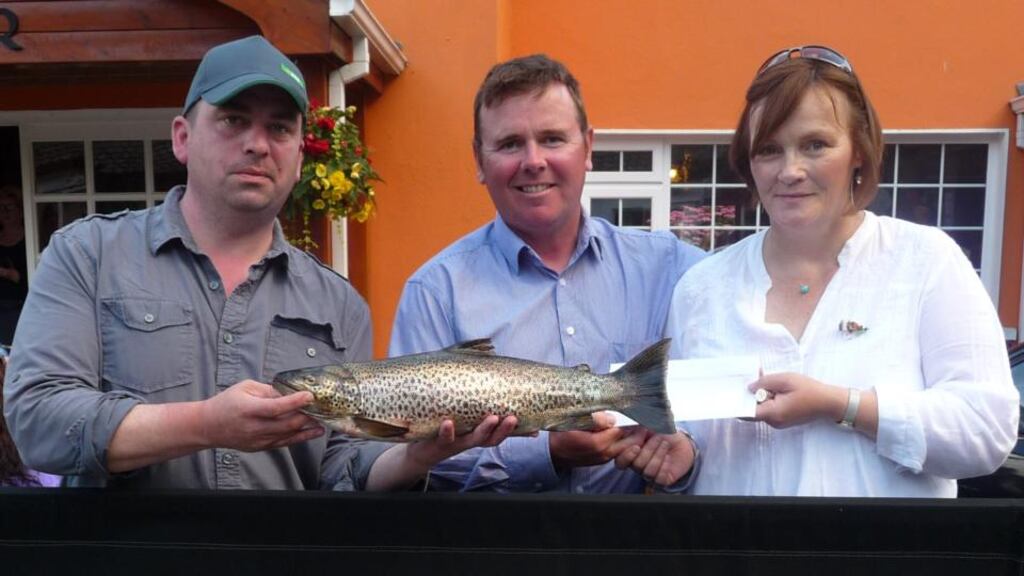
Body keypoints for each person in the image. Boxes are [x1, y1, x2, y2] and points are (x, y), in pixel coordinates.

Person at [2, 35, 513, 490]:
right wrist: (205, 425)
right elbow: (37, 423)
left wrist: (415, 454)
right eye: (233, 119)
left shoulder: (338, 303)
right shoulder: (87, 256)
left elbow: (343, 470)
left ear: (298, 157)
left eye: (280, 128)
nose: (257, 143)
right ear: (182, 137)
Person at [665, 45, 1019, 496]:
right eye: (769, 150)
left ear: (858, 151)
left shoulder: (925, 261)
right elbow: (693, 439)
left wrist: (843, 405)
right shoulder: (702, 288)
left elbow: (985, 431)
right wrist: (683, 458)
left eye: (815, 145)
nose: (790, 170)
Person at [389, 54, 706, 492]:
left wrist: (687, 450)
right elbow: (416, 453)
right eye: (510, 144)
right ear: (479, 160)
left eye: (553, 138)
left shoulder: (668, 268)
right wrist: (545, 452)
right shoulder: (436, 292)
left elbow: (733, 366)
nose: (533, 161)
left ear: (588, 149)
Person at [0, 185, 27, 344]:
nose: (4, 212)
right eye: (0, 208)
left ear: (20, 210)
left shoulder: (31, 236)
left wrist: (10, 274)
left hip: (20, 309)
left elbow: (33, 276)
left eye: (9, 207)